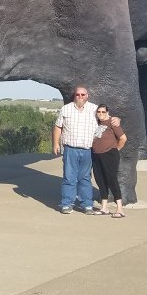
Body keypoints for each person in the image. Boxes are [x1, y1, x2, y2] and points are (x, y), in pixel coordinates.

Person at [52, 86, 120, 214]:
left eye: (83, 94)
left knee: (85, 177)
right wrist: (55, 143)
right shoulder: (66, 109)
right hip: (70, 149)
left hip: (88, 150)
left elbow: (106, 118)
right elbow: (58, 126)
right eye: (78, 94)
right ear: (74, 96)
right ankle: (67, 203)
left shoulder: (94, 109)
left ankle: (86, 204)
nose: (80, 97)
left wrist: (117, 119)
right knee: (69, 177)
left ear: (87, 96)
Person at [91, 104, 126, 217]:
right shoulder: (97, 123)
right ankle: (104, 207)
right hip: (96, 155)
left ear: (107, 112)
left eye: (103, 112)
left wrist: (116, 149)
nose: (101, 114)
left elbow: (123, 138)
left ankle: (119, 208)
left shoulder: (112, 122)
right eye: (99, 112)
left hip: (109, 154)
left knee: (111, 179)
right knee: (100, 180)